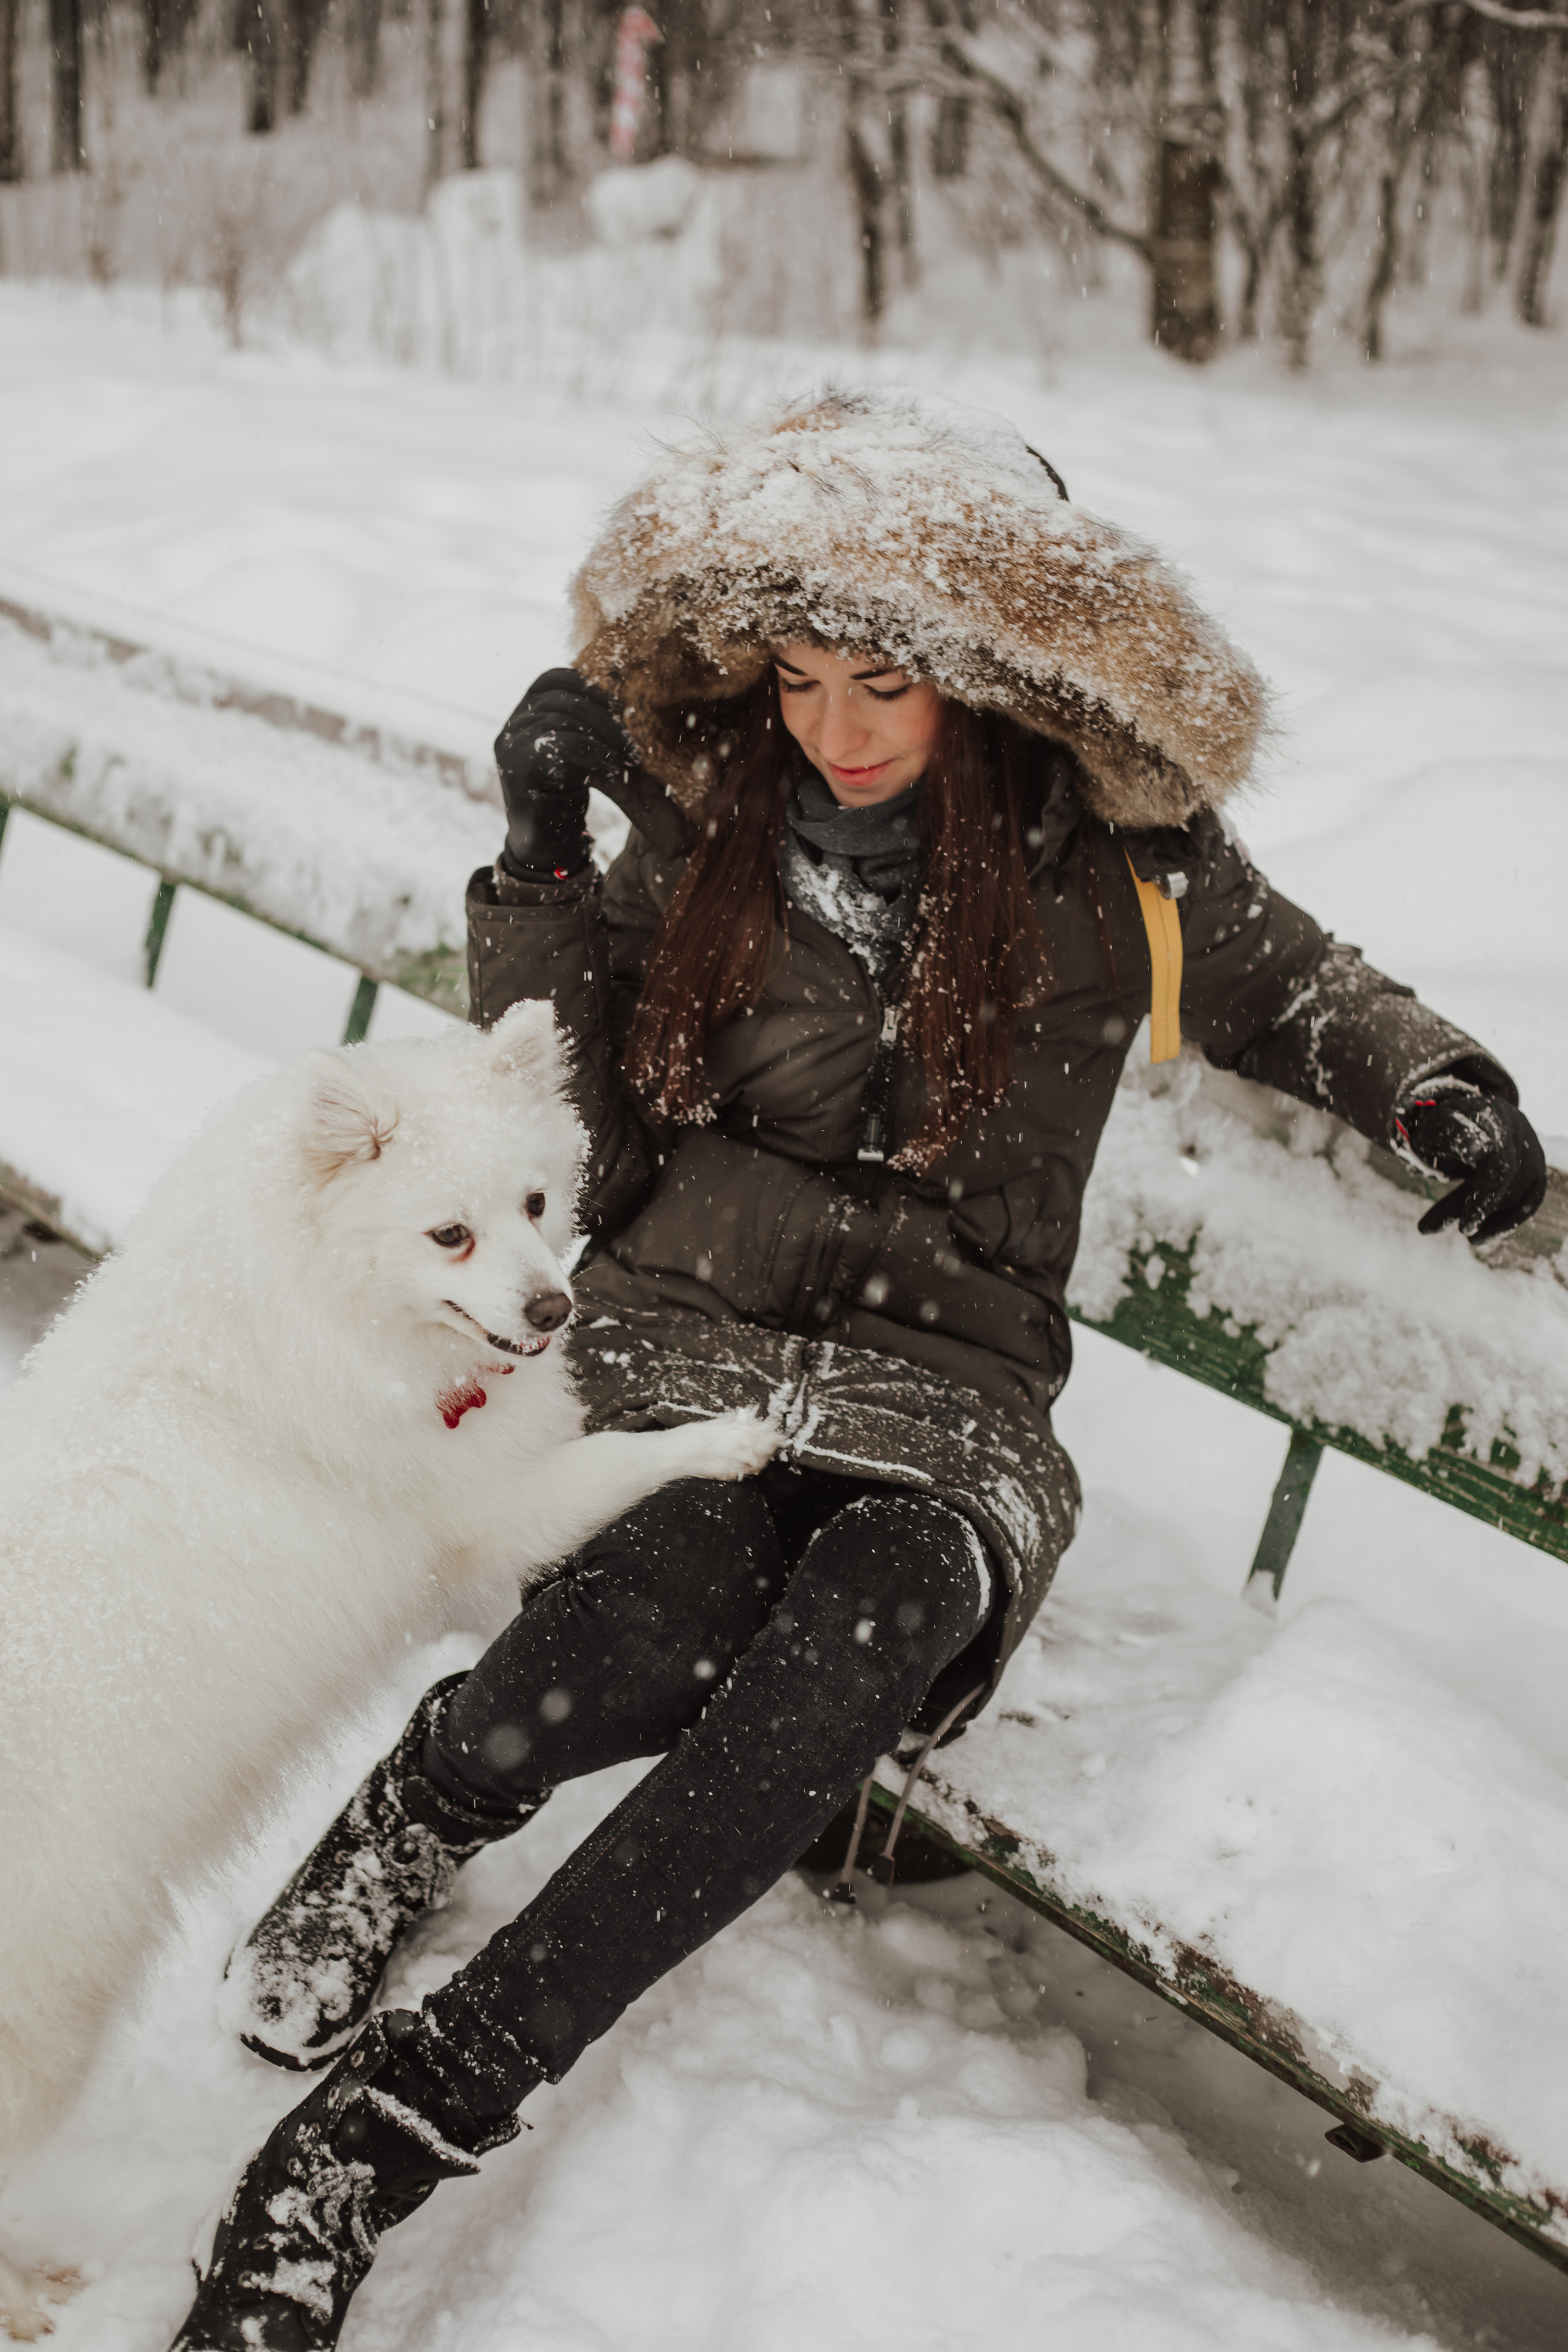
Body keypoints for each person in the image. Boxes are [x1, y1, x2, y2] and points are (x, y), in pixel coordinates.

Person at [170, 388, 1545, 2351]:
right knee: (623, 1647)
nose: (836, 727)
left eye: (885, 680)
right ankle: (427, 1804)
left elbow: (1305, 994)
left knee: (838, 1662)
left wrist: (1440, 1090)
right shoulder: (706, 813)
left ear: (990, 673)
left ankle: (384, 2134)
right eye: (802, 677)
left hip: (948, 1403)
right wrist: (547, 861)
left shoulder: (1119, 868)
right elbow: (563, 1126)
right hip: (692, 1338)